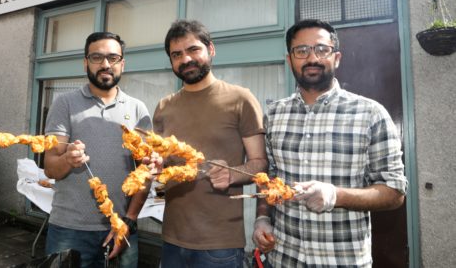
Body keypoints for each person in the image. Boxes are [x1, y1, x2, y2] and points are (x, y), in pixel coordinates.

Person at [252, 19, 408, 267]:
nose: (311, 58)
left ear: (336, 57)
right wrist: (262, 218)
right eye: (301, 50)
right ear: (289, 58)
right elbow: (269, 176)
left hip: (342, 261)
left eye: (322, 49)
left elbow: (394, 193)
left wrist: (336, 195)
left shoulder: (370, 114)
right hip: (283, 258)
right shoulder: (274, 114)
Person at [153, 20, 268, 267]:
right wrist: (154, 167)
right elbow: (159, 164)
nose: (186, 59)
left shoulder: (241, 99)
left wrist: (233, 174)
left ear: (211, 49)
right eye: (177, 54)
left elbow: (260, 164)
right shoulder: (164, 107)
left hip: (220, 246)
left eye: (193, 49)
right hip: (171, 239)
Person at [44, 32, 152, 268]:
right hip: (69, 229)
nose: (105, 64)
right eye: (97, 57)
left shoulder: (138, 109)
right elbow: (51, 168)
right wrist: (67, 160)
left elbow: (145, 173)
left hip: (121, 228)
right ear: (85, 62)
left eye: (113, 58)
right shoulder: (64, 103)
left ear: (122, 63)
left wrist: (129, 221)